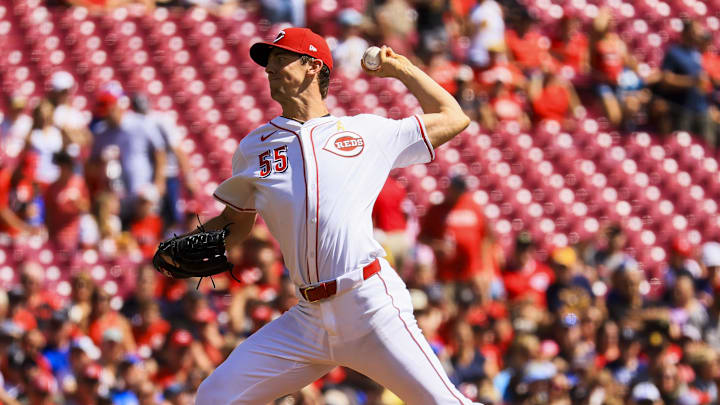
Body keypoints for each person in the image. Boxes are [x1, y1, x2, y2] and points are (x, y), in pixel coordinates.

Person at [162, 27, 475, 403]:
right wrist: (189, 244)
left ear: (313, 66)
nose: (270, 69)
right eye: (268, 62)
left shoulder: (366, 132)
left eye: (280, 59)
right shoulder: (254, 147)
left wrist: (403, 69)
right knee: (215, 396)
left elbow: (453, 117)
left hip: (368, 303)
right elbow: (236, 223)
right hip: (308, 318)